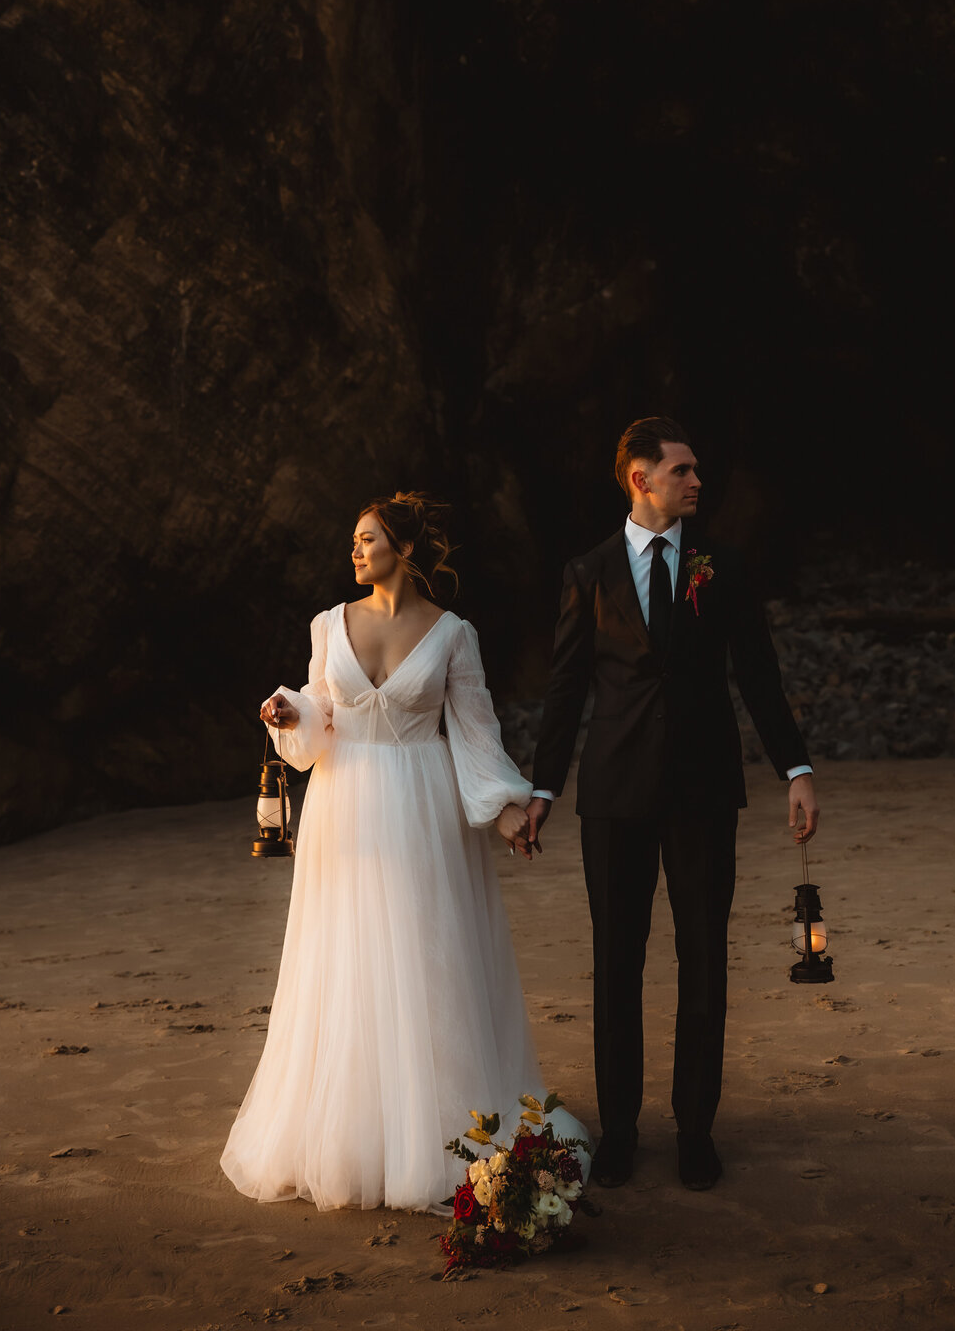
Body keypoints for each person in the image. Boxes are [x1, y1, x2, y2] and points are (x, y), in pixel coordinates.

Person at [221, 491, 586, 1214]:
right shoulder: (330, 624)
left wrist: (508, 812)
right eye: (354, 540)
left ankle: (437, 1140)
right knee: (347, 964)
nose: (354, 552)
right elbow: (322, 717)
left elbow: (475, 736)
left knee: (427, 963)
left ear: (406, 550)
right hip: (344, 810)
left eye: (367, 539)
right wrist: (289, 713)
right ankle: (351, 1140)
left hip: (425, 810)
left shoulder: (453, 634)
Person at [523, 418, 818, 1192]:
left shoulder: (721, 567)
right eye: (682, 470)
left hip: (702, 792)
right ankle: (619, 1131)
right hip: (613, 794)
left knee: (704, 963)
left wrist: (796, 768)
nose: (697, 482)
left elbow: (758, 672)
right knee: (616, 965)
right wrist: (543, 789)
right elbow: (564, 690)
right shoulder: (587, 572)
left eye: (697, 470)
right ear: (640, 478)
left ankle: (695, 1131)